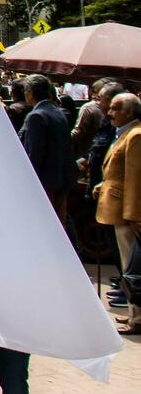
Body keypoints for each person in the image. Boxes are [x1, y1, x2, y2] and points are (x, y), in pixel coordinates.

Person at [96, 92, 140, 335]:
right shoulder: (126, 133)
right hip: (118, 208)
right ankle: (133, 314)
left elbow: (135, 179)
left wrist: (133, 215)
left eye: (115, 108)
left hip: (127, 214)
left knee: (132, 267)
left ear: (129, 112)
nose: (110, 113)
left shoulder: (135, 136)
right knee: (127, 267)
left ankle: (138, 316)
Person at [18, 74, 77, 219]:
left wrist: (28, 181)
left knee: (45, 219)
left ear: (30, 93)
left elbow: (35, 154)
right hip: (61, 177)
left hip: (45, 182)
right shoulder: (58, 112)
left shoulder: (36, 116)